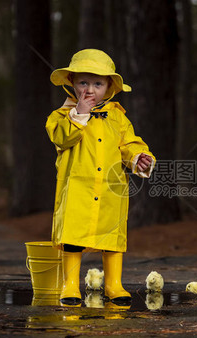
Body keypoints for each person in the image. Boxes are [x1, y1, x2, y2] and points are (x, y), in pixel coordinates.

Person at [46, 49, 155, 306]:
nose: (90, 89)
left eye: (98, 83)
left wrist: (138, 156)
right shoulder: (61, 116)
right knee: (73, 235)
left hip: (110, 187)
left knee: (112, 236)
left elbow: (129, 144)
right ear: (72, 83)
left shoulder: (117, 117)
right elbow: (62, 138)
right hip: (77, 188)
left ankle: (113, 285)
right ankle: (70, 285)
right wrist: (80, 114)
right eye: (83, 82)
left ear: (109, 87)